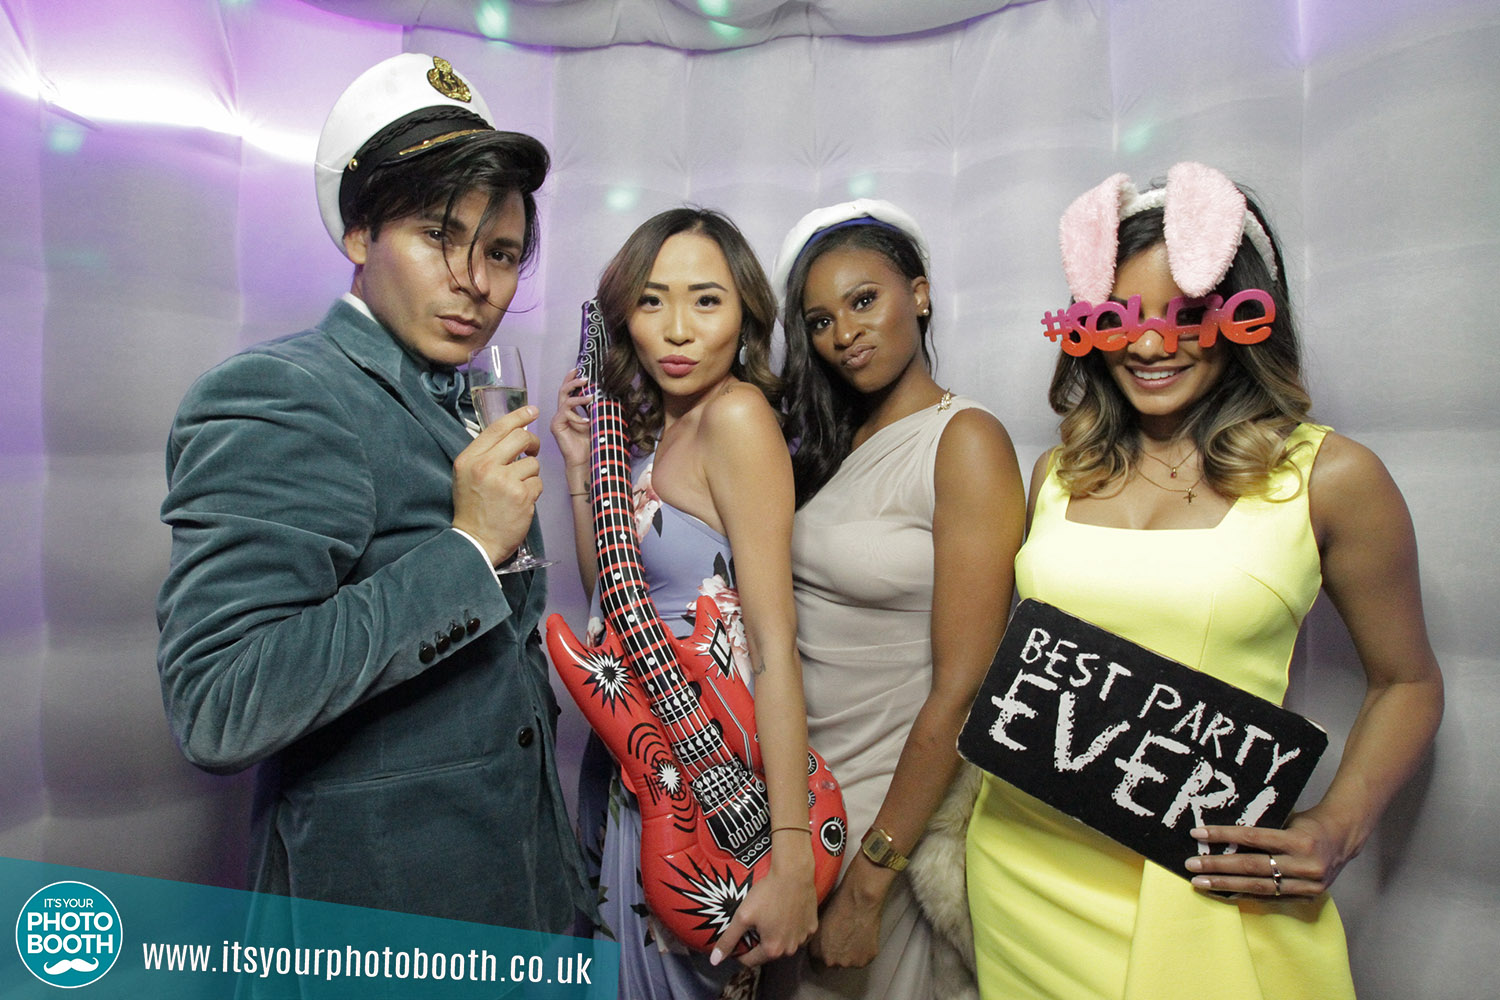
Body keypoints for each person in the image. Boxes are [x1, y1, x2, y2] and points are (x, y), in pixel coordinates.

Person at [965, 162, 1445, 999]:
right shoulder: (1057, 473)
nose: (1150, 346)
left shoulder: (1331, 477)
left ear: (1247, 316)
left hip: (1205, 881)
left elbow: (1408, 682)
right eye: (1121, 319)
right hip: (1024, 865)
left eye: (1187, 316)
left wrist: (1338, 825)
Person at [156, 53, 592, 930]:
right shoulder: (283, 393)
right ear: (361, 235)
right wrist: (467, 549)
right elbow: (218, 703)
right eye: (439, 236)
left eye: (501, 253)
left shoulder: (461, 396)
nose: (476, 281)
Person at [551, 208, 820, 999]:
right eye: (651, 300)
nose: (676, 329)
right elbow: (611, 595)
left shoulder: (736, 417)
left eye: (706, 300)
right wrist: (581, 468)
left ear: (745, 314)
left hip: (705, 770)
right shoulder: (660, 432)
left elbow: (772, 645)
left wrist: (792, 857)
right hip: (638, 757)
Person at [761, 200, 1025, 1000]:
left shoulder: (966, 440)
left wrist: (871, 883)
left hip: (889, 808)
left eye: (864, 300)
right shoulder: (835, 445)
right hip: (804, 800)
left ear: (920, 293)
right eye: (820, 321)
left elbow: (965, 688)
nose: (844, 332)